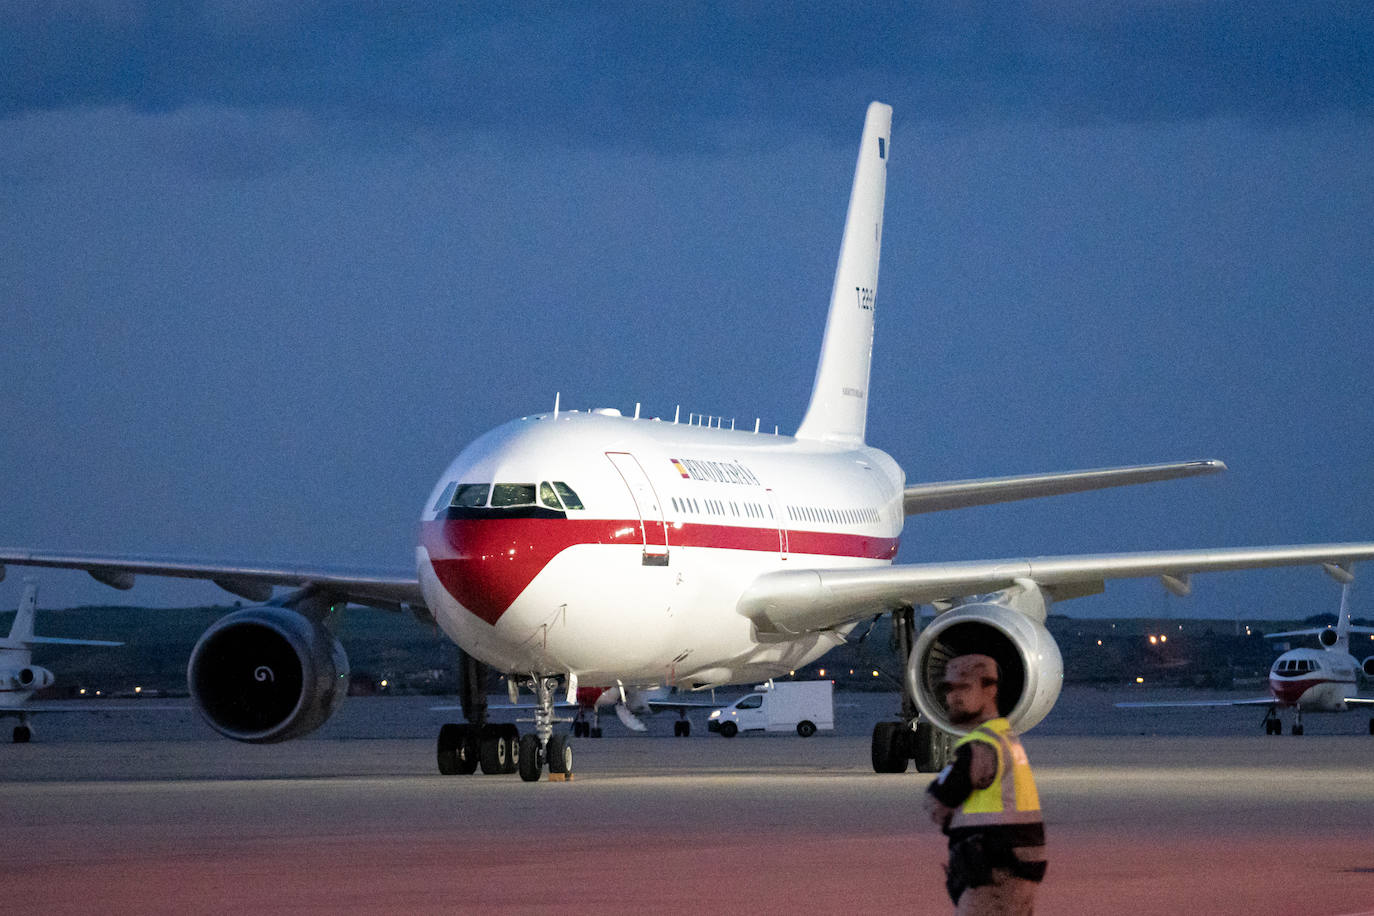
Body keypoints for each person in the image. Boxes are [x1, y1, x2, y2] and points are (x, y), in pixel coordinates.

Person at [922, 654, 1046, 914]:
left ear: (990, 690)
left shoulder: (982, 745)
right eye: (950, 688)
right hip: (1017, 867)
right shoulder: (1005, 738)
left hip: (995, 871)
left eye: (965, 687)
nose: (953, 697)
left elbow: (939, 800)